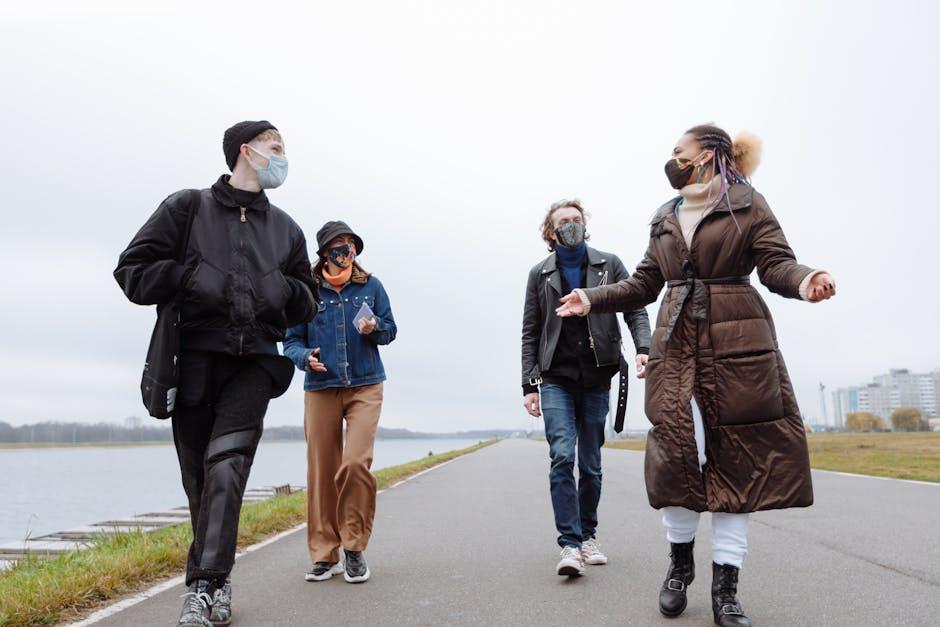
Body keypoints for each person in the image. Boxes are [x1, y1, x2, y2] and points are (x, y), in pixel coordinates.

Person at [556, 125, 836, 626]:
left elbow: (776, 264)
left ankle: (726, 588)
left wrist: (806, 278)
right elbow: (644, 282)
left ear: (705, 156)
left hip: (738, 341)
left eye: (678, 152)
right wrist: (592, 298)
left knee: (737, 460)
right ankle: (678, 563)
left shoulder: (748, 204)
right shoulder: (665, 216)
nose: (671, 160)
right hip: (676, 342)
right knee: (679, 454)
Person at [114, 121, 318, 627]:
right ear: (245, 151)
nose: (283, 156)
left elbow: (307, 299)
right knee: (200, 484)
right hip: (192, 363)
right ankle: (220, 581)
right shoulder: (186, 209)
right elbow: (131, 271)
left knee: (227, 466)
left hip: (254, 367)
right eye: (276, 147)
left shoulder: (286, 229)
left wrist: (280, 292)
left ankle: (202, 589)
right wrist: (188, 275)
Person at [521, 199, 651, 577]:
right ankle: (570, 544)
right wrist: (529, 384)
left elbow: (636, 306)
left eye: (577, 220)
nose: (572, 226)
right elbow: (530, 330)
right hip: (555, 378)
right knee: (562, 455)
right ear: (551, 231)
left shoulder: (608, 265)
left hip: (597, 377)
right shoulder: (539, 274)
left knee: (591, 464)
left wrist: (644, 347)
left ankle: (588, 535)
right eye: (564, 222)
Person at [283, 221, 397, 585]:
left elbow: (390, 330)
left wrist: (374, 326)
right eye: (337, 246)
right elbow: (290, 341)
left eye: (349, 245)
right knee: (321, 472)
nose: (345, 251)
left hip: (365, 385)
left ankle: (354, 547)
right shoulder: (307, 291)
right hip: (320, 387)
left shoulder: (372, 286)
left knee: (355, 464)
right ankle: (323, 554)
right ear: (324, 253)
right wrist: (304, 357)